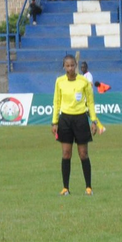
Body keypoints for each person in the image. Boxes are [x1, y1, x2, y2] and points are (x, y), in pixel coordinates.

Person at [51, 55, 100, 195]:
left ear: (76, 65)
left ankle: (88, 187)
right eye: (67, 66)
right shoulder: (59, 81)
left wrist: (94, 121)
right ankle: (65, 188)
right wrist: (54, 122)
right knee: (66, 154)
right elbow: (56, 102)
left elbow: (90, 102)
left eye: (72, 65)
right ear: (64, 67)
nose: (70, 68)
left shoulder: (83, 81)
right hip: (65, 120)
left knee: (83, 154)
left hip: (81, 119)